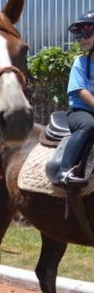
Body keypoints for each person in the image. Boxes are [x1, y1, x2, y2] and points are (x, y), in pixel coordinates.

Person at [59, 10, 94, 187]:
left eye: (87, 33)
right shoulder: (80, 63)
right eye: (79, 35)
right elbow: (80, 91)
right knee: (89, 125)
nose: (82, 38)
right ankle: (64, 170)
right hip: (81, 112)